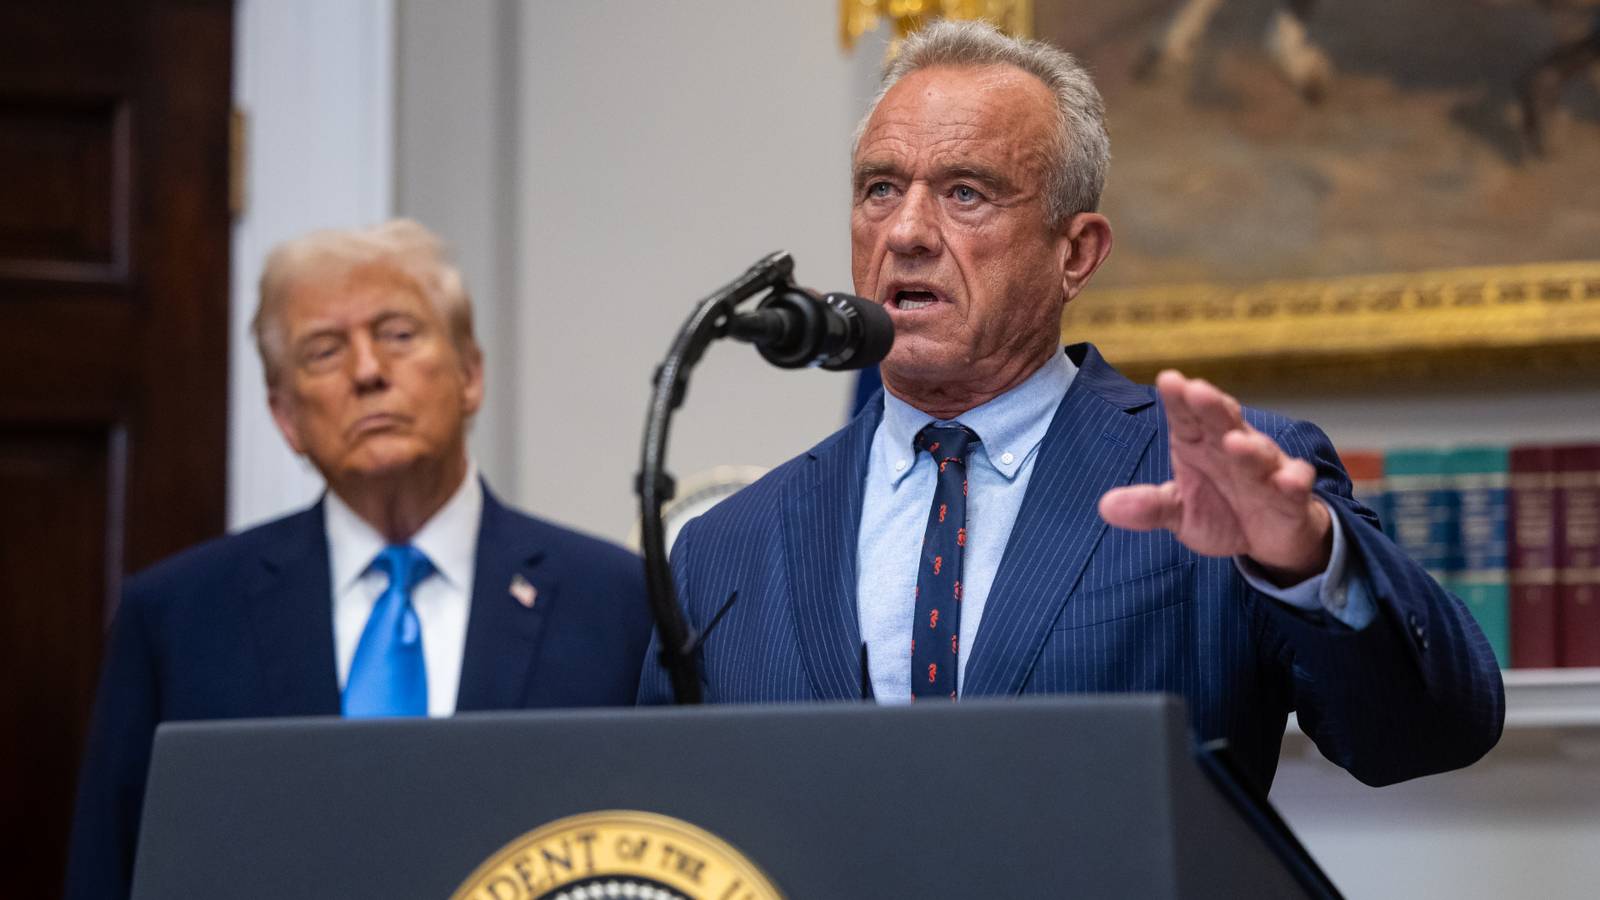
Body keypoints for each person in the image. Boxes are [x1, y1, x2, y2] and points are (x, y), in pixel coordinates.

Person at [639, 20, 1503, 791]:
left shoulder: (1215, 486)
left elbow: (1426, 735)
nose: (905, 231)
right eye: (880, 189)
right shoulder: (725, 548)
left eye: (965, 192)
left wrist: (1306, 558)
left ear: (1076, 254)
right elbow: (660, 824)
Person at [67, 220, 653, 899]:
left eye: (398, 334)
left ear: (469, 374)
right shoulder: (180, 618)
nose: (368, 372)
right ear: (286, 415)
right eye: (324, 351)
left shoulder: (616, 601)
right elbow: (110, 873)